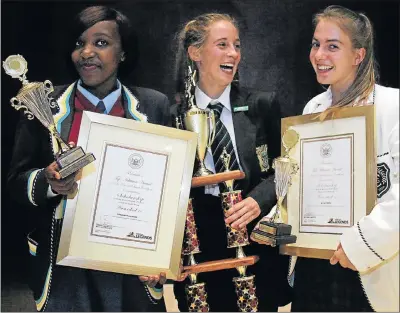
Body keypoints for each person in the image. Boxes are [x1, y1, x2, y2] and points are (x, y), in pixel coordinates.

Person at [7, 6, 171, 312]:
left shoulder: (154, 106)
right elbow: (16, 183)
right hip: (66, 270)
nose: (86, 53)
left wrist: (163, 256)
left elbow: (170, 190)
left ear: (123, 53)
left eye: (101, 43)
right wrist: (49, 182)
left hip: (131, 267)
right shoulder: (44, 105)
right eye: (79, 43)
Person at [255, 5, 399, 312]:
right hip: (313, 268)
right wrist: (278, 218)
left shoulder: (393, 107)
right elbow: (300, 183)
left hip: (365, 269)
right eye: (316, 44)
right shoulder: (312, 109)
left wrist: (359, 243)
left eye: (333, 46)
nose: (319, 55)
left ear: (358, 55)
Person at [172, 13, 293, 312]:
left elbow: (288, 165)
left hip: (252, 233)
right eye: (222, 44)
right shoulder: (172, 115)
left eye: (236, 46)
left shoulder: (262, 104)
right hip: (199, 240)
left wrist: (259, 200)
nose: (233, 54)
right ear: (195, 53)